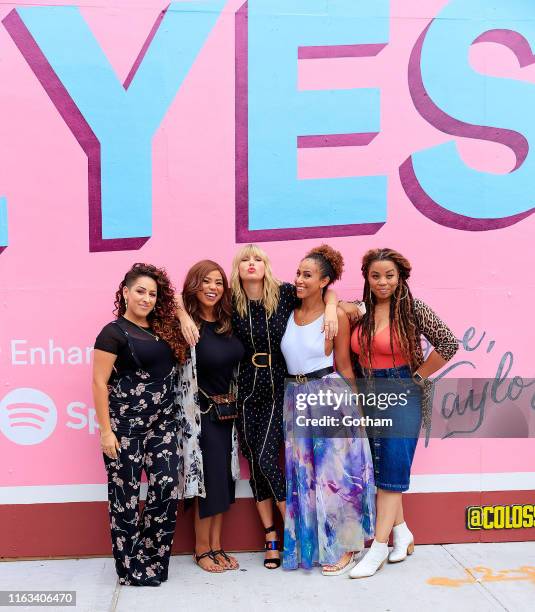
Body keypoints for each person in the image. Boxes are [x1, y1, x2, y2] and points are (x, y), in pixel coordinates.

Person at [178, 244, 339, 569]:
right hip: (245, 392)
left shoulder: (283, 294)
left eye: (257, 259)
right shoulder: (229, 304)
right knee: (255, 461)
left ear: (265, 265)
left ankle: (295, 531)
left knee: (266, 458)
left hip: (280, 386)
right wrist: (182, 314)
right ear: (237, 268)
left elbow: (328, 296)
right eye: (244, 260)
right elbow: (181, 299)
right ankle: (271, 536)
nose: (251, 264)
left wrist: (333, 307)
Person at [348, 248, 458, 579]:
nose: (383, 282)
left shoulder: (413, 309)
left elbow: (449, 344)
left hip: (400, 390)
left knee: (392, 468)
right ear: (367, 277)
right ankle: (403, 532)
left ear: (401, 278)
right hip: (368, 392)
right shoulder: (362, 311)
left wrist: (417, 377)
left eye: (389, 275)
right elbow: (337, 310)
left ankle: (377, 549)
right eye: (376, 275)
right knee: (380, 466)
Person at [280, 245, 375, 574]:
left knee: (335, 477)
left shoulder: (336, 317)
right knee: (304, 476)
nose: (299, 279)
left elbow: (346, 367)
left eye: (307, 275)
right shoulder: (288, 310)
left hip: (328, 395)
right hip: (294, 397)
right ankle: (315, 546)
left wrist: (357, 411)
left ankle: (346, 548)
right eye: (298, 273)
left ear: (324, 281)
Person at [92, 263, 185, 586]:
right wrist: (106, 432)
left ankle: (152, 559)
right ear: (125, 292)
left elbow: (183, 305)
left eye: (152, 293)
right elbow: (99, 383)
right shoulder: (113, 332)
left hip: (163, 425)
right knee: (125, 498)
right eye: (140, 291)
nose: (146, 298)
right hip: (124, 427)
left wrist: (183, 316)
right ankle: (130, 568)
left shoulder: (164, 328)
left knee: (166, 487)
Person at [181, 260, 244, 573]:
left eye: (218, 282)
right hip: (202, 417)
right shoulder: (189, 326)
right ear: (194, 284)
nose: (213, 287)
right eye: (206, 281)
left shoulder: (226, 322)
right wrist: (181, 313)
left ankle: (217, 545)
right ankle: (201, 549)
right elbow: (164, 295)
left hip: (228, 415)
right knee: (206, 484)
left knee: (223, 484)